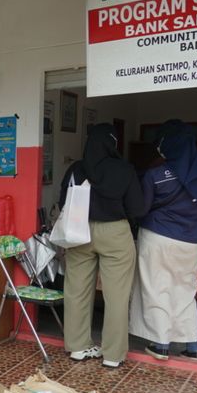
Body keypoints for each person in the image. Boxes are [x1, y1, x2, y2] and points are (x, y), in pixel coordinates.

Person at [129, 120, 197, 360]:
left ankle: (160, 344)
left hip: (157, 237)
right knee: (185, 290)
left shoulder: (156, 174)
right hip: (191, 241)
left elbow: (142, 209)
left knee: (157, 288)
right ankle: (192, 346)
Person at [60, 123, 145, 368]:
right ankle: (112, 355)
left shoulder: (76, 168)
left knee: (76, 291)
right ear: (112, 143)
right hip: (115, 232)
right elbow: (137, 208)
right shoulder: (125, 170)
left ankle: (77, 347)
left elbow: (63, 199)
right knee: (116, 296)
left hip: (79, 231)